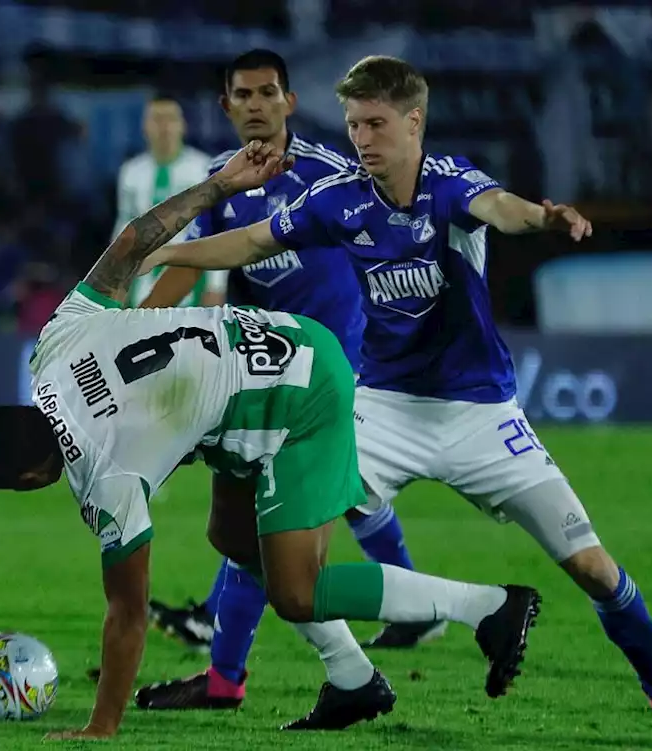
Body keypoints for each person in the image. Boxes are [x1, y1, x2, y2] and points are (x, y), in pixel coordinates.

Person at [140, 55, 652, 717]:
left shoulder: (450, 185)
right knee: (267, 534)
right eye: (353, 125)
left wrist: (544, 218)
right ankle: (294, 678)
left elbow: (501, 208)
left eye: (375, 123)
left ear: (414, 122)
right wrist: (163, 250)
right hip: (384, 407)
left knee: (593, 567)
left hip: (481, 413)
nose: (363, 139)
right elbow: (250, 243)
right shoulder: (340, 198)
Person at [0, 140, 542, 740]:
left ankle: (488, 607)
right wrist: (220, 187)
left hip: (298, 396)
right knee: (231, 535)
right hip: (265, 348)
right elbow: (133, 243)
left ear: (28, 479)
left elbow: (127, 616)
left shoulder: (106, 480)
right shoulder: (51, 350)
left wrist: (100, 727)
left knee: (296, 590)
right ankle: (353, 679)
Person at [136, 49, 438, 714]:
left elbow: (392, 244)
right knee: (287, 511)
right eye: (242, 94)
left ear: (289, 102)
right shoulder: (221, 182)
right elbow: (197, 271)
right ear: (226, 106)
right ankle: (420, 608)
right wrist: (134, 326)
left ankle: (231, 671)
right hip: (264, 371)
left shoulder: (333, 174)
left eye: (267, 92)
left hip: (334, 368)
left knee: (279, 517)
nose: (255, 104)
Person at [114, 95, 223, 308]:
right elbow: (122, 227)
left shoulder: (203, 169)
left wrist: (216, 286)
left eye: (170, 119)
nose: (164, 126)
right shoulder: (131, 173)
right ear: (145, 127)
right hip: (142, 279)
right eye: (156, 119)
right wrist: (115, 280)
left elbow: (217, 229)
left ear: (183, 125)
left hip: (189, 279)